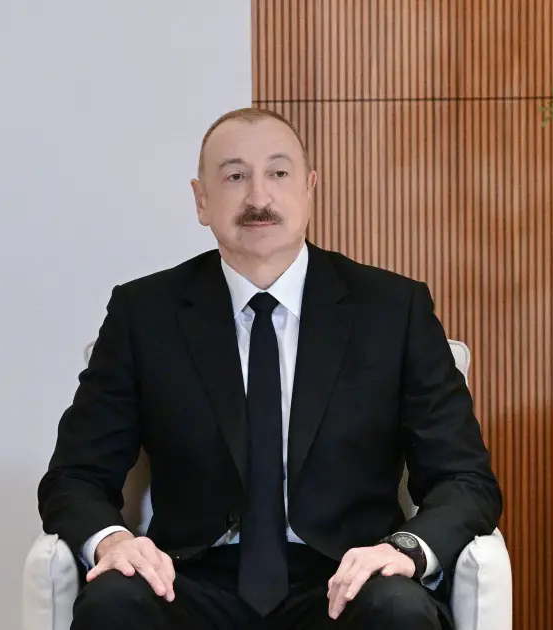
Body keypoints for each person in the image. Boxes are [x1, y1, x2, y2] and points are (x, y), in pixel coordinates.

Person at [37, 107, 503, 630]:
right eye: (235, 176)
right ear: (201, 200)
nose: (259, 197)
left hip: (350, 578)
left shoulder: (393, 310)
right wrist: (114, 541)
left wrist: (404, 549)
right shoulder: (144, 315)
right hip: (187, 580)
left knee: (398, 609)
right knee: (111, 604)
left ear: (309, 188)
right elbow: (74, 475)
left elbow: (465, 479)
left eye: (278, 173)